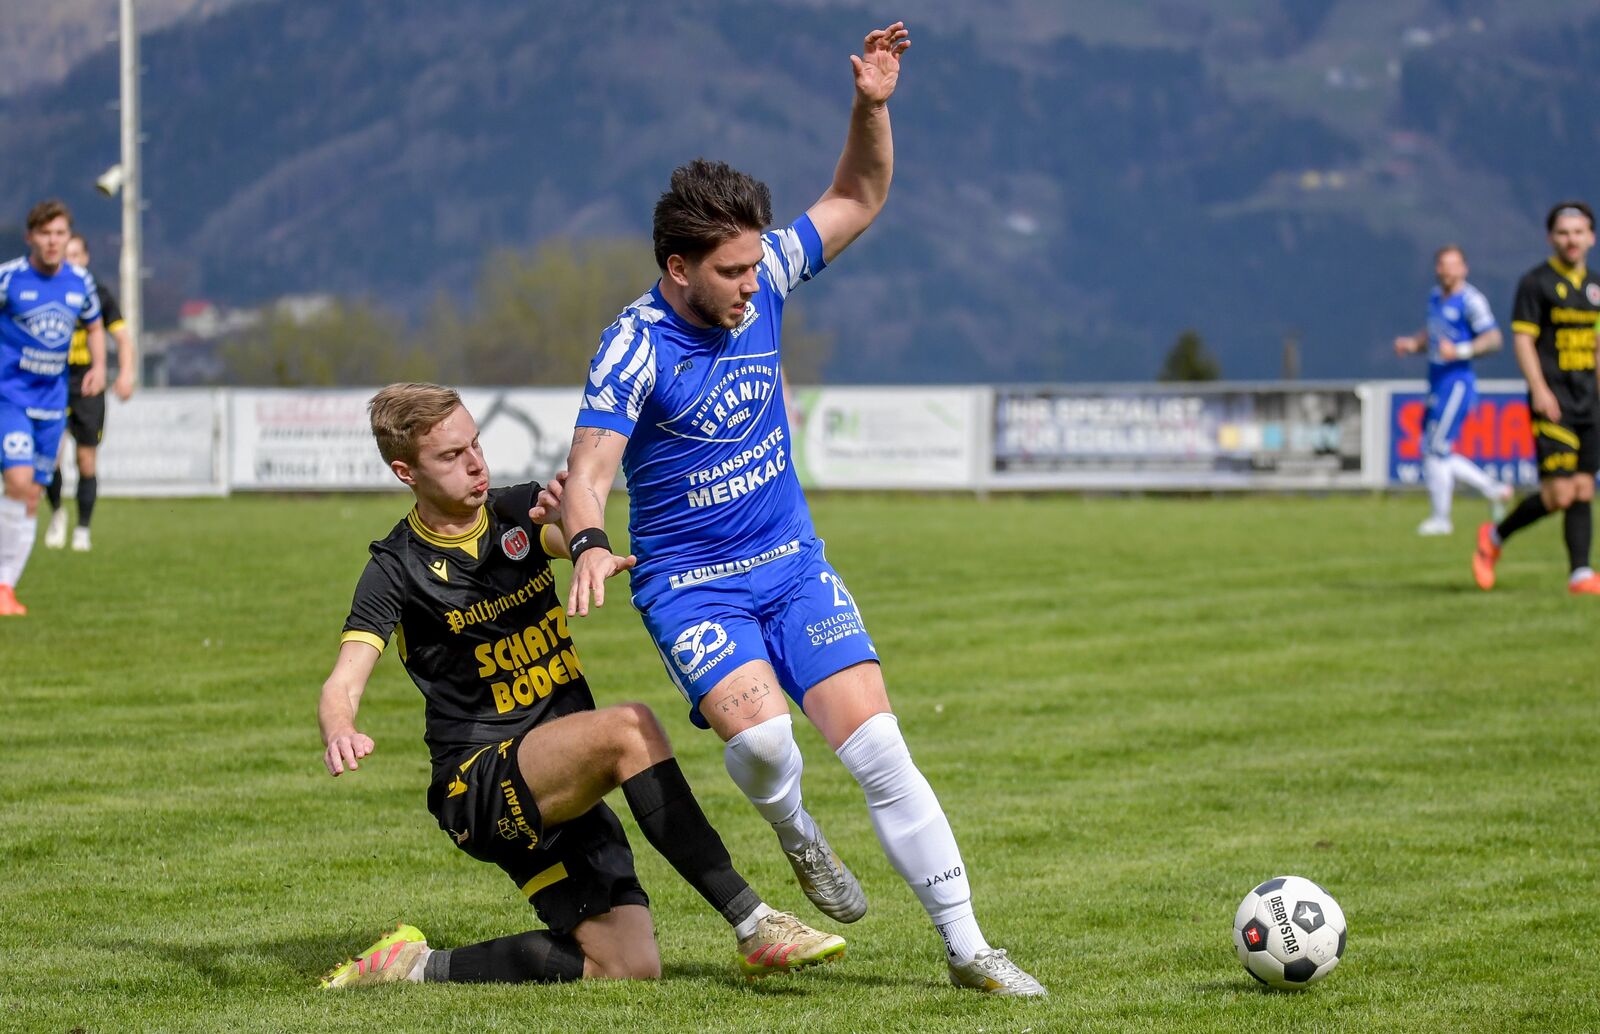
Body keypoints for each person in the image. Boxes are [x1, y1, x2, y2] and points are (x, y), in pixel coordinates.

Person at [561, 23, 1046, 996]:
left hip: (790, 564)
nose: (753, 285)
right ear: (677, 268)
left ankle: (969, 949)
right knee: (763, 742)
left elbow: (859, 194)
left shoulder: (770, 274)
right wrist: (587, 542)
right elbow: (590, 465)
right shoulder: (635, 345)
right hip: (692, 585)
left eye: (756, 265)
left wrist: (870, 107)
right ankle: (793, 829)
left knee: (881, 749)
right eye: (731, 272)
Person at [317, 383, 844, 989]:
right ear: (405, 472)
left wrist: (581, 538)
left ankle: (412, 967)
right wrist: (341, 728)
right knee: (629, 729)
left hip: (556, 773)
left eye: (476, 444)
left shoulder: (515, 513)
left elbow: (563, 537)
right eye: (451, 455)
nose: (476, 463)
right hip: (479, 781)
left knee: (626, 966)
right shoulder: (395, 567)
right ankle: (755, 923)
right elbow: (343, 681)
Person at [1474, 202, 1600, 594]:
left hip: (1589, 400)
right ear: (1550, 238)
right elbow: (1524, 340)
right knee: (1560, 493)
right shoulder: (1536, 283)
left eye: (1578, 232)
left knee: (1583, 487)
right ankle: (1494, 537)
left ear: (1591, 237)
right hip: (1554, 400)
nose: (1571, 240)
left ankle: (1580, 573)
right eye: (1563, 233)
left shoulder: (1596, 287)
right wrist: (1540, 388)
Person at [0, 200, 105, 616]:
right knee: (18, 479)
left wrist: (100, 366)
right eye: (45, 233)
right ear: (31, 237)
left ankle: (6, 587)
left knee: (32, 495)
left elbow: (94, 325)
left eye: (60, 233)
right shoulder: (9, 278)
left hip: (51, 402)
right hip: (10, 398)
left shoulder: (80, 281)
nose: (52, 241)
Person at [1392, 245, 1512, 535]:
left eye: (1453, 264)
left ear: (1464, 268)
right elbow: (1434, 334)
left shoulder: (1471, 300)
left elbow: (1494, 339)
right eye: (1442, 264)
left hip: (1457, 383)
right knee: (1432, 448)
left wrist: (1460, 350)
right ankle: (1493, 490)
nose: (1447, 270)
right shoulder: (1435, 296)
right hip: (1436, 379)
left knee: (1435, 449)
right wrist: (1413, 344)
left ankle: (1443, 518)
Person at [43, 233, 136, 553]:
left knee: (85, 459)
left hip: (88, 385)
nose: (70, 261)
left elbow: (122, 339)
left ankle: (83, 529)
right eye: (65, 255)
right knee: (50, 457)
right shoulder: (47, 292)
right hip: (52, 383)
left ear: (86, 259)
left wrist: (125, 374)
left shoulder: (98, 294)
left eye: (76, 255)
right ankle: (57, 512)